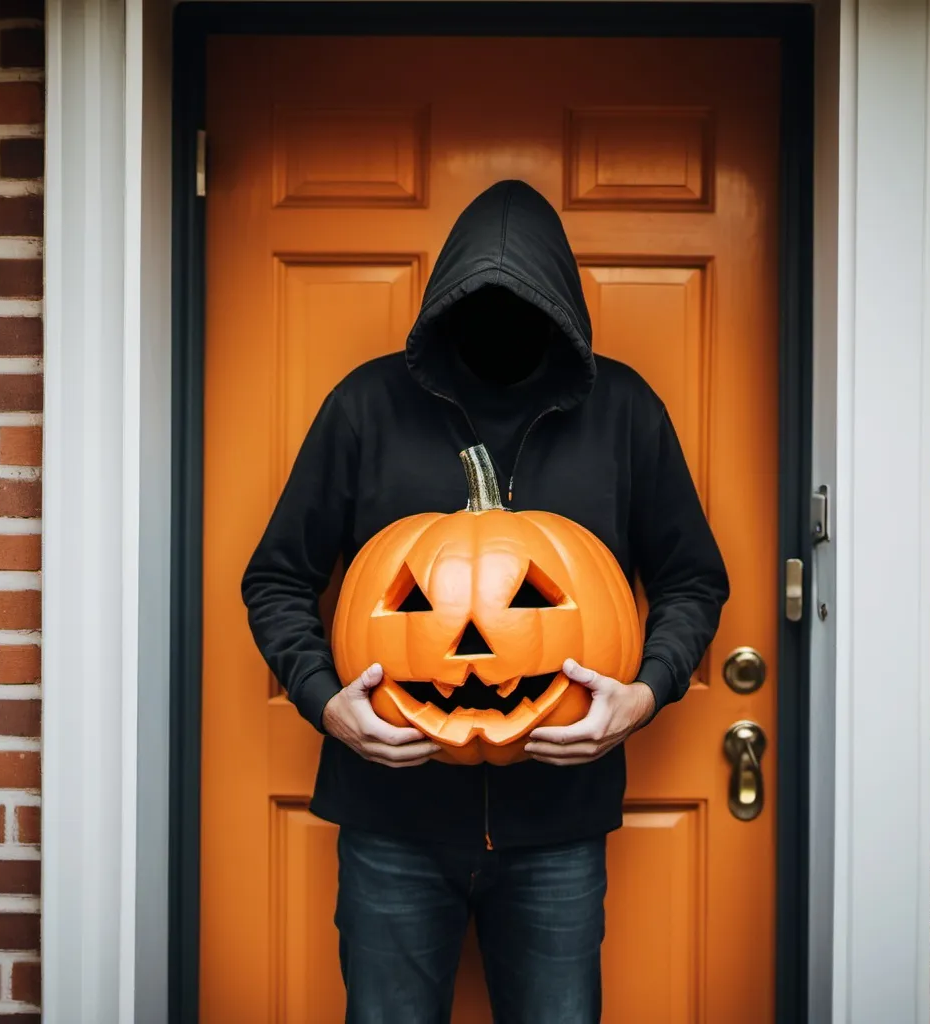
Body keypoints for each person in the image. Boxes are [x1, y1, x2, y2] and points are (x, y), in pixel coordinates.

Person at [241, 179, 729, 1024]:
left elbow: (693, 579)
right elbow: (278, 577)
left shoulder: (622, 411)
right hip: (388, 820)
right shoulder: (367, 406)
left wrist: (644, 695)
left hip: (560, 828)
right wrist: (328, 707)